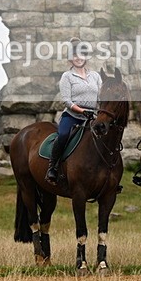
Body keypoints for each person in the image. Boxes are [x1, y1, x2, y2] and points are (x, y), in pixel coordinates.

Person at [46, 38, 101, 185]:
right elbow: (67, 101)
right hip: (72, 116)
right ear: (71, 59)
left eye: (81, 55)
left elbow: (101, 97)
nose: (78, 58)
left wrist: (99, 111)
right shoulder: (67, 76)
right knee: (63, 135)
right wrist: (83, 111)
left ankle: (110, 173)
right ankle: (53, 167)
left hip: (93, 116)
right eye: (75, 55)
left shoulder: (95, 76)